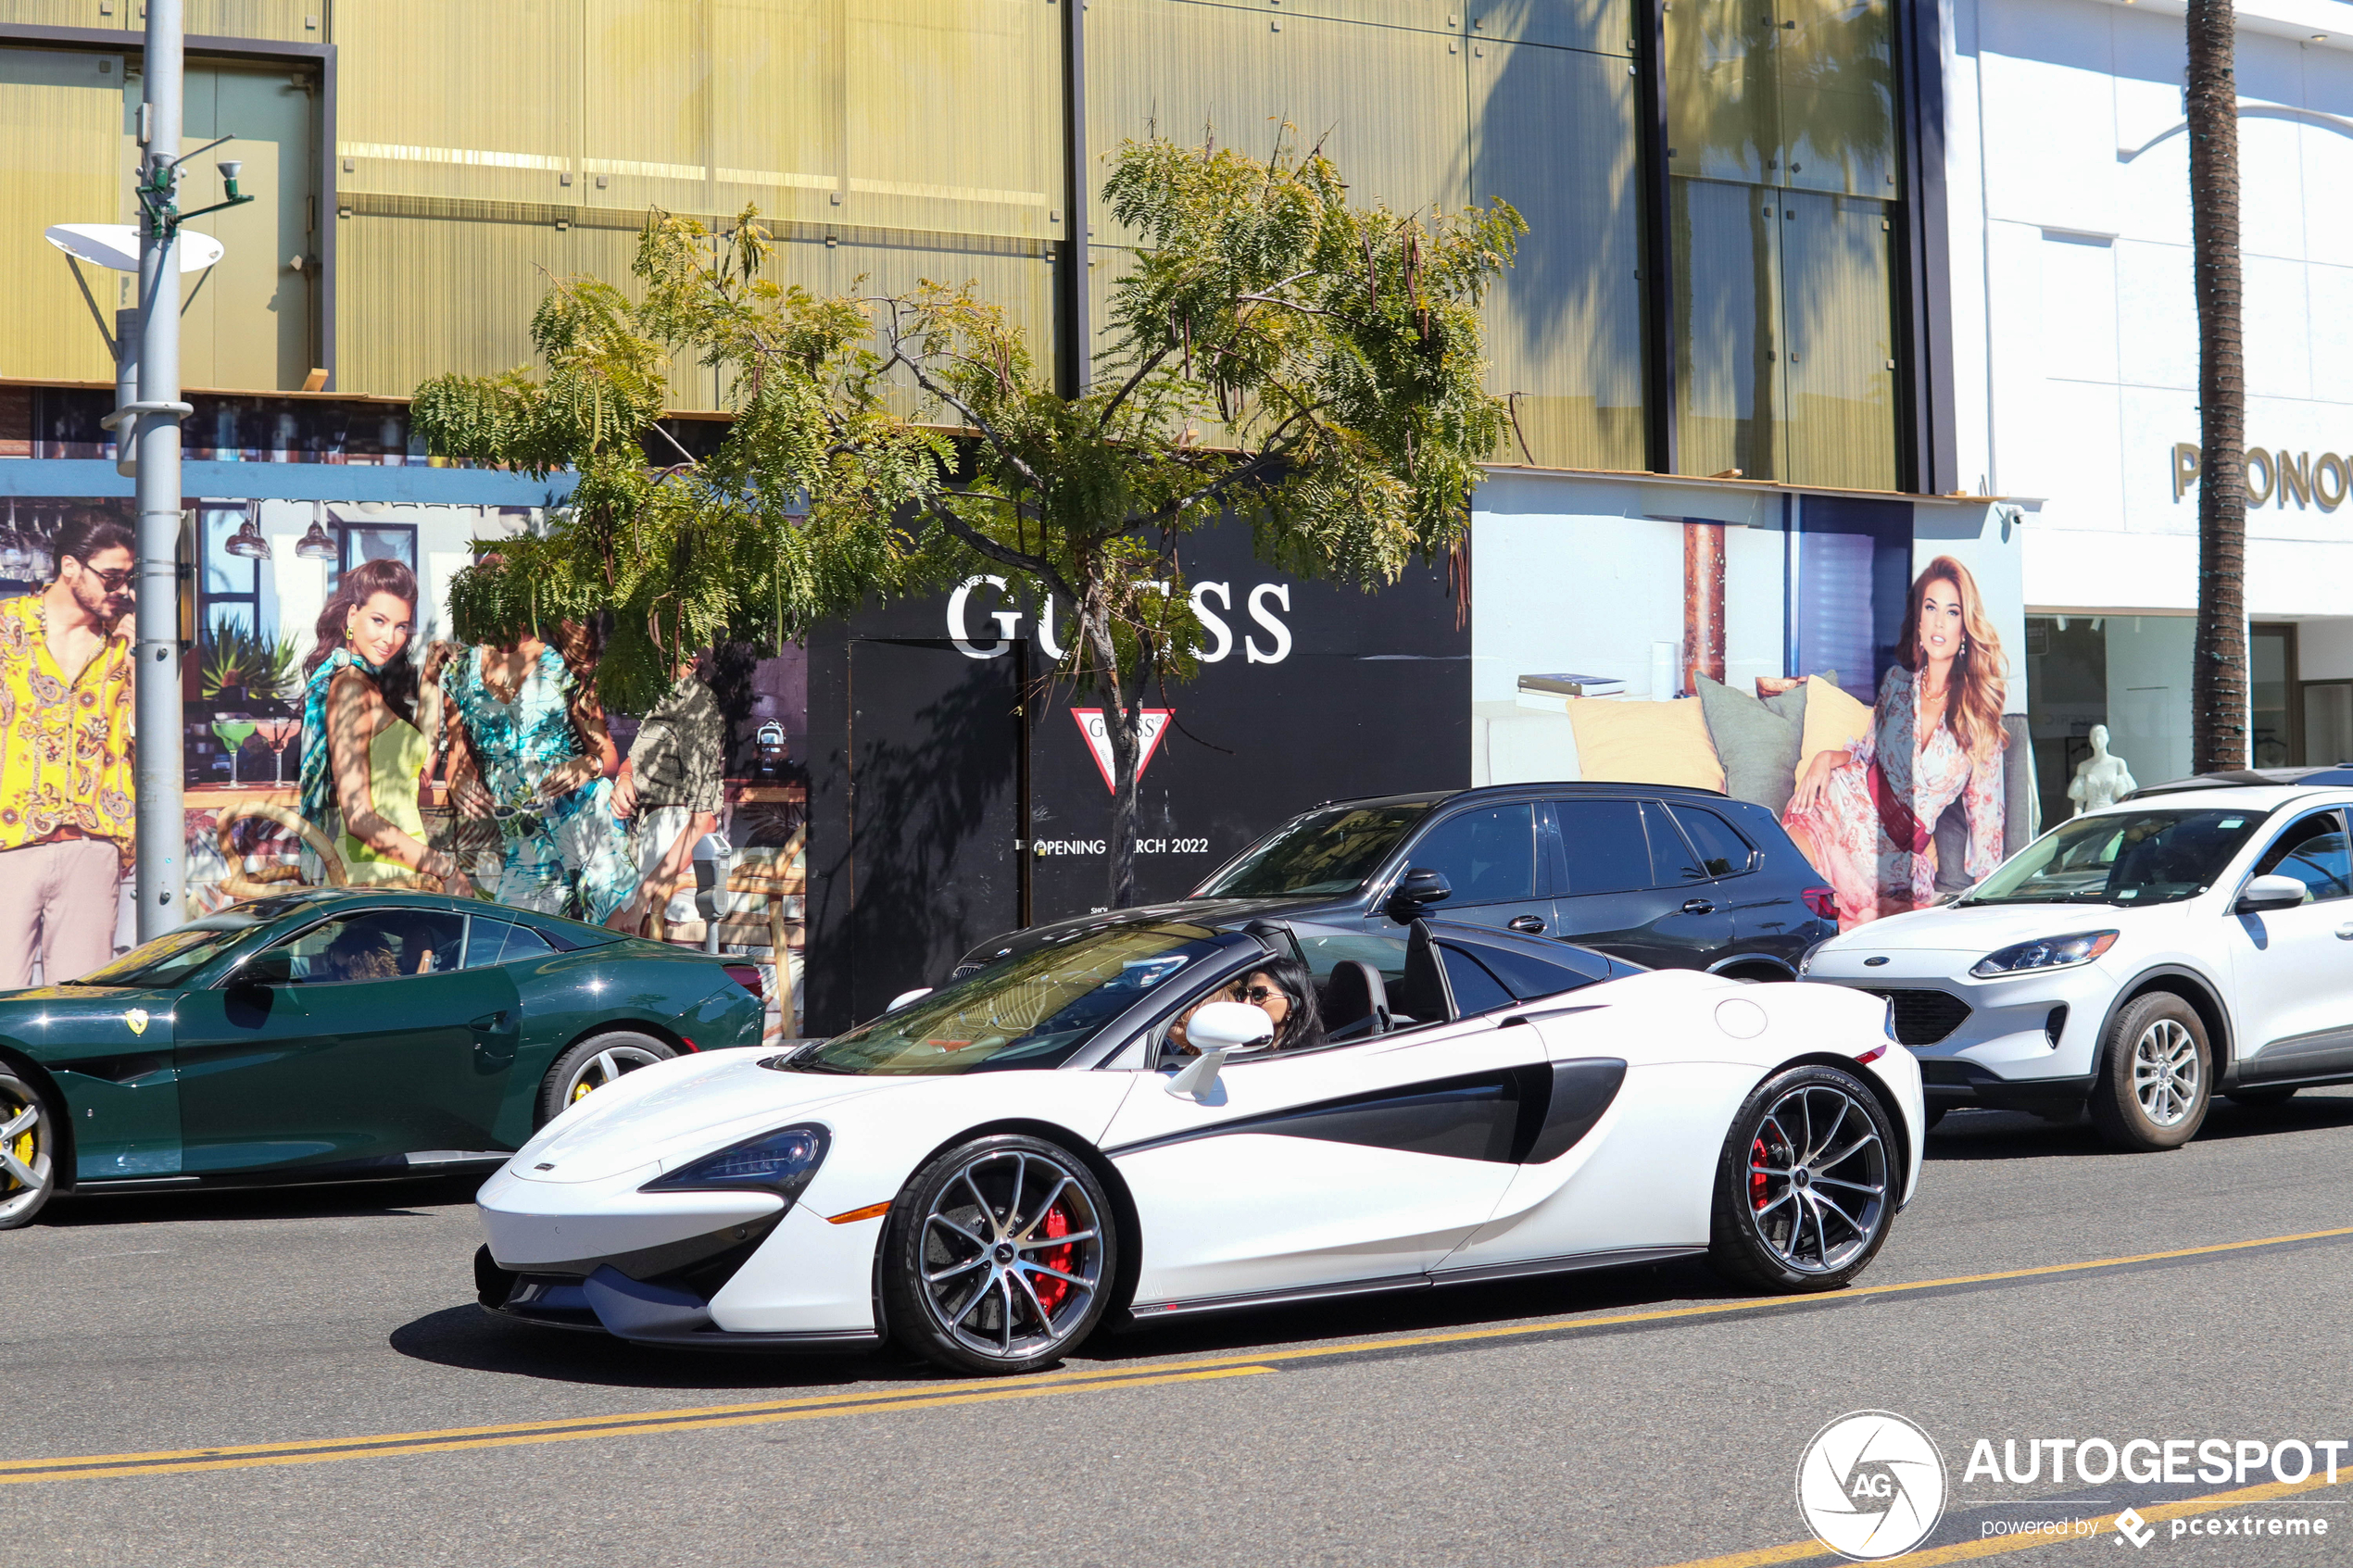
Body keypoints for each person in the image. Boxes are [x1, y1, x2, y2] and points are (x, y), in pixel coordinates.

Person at [1783, 556, 2008, 929]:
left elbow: (1987, 827)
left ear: (1965, 628)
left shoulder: (1979, 717)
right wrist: (1826, 757)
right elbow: (1865, 756)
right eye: (1930, 607)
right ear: (1918, 620)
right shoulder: (1897, 686)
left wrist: (1989, 908)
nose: (1938, 622)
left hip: (1894, 856)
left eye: (1952, 612)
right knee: (1784, 883)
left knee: (1838, 916)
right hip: (1834, 808)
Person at [0, 511, 137, 986]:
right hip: (8, 843)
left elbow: (151, 738)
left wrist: (144, 655)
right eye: (112, 577)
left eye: (128, 578)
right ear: (70, 567)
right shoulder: (5, 628)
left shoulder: (124, 645)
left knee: (81, 1008)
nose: (121, 589)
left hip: (92, 843)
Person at [440, 615, 635, 926]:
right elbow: (457, 761)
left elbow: (606, 754)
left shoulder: (561, 662)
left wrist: (587, 764)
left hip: (589, 824)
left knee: (619, 938)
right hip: (526, 841)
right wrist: (459, 781)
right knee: (509, 946)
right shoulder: (459, 669)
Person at [296, 558, 472, 897]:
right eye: (379, 621)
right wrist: (444, 867)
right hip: (377, 875)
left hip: (408, 870)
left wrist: (430, 681)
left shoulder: (370, 684)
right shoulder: (349, 689)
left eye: (401, 626)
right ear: (351, 616)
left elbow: (420, 772)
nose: (389, 638)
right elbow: (360, 818)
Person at [614, 651, 726, 940]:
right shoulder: (664, 695)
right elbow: (638, 758)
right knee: (604, 948)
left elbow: (703, 822)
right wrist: (624, 776)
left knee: (608, 948)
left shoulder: (696, 700)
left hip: (677, 853)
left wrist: (645, 896)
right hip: (652, 850)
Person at [1169, 952, 1326, 1056]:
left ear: (1292, 1005)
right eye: (1242, 994)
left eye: (1259, 994)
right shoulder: (1239, 1046)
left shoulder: (1308, 1058)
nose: (1245, 1002)